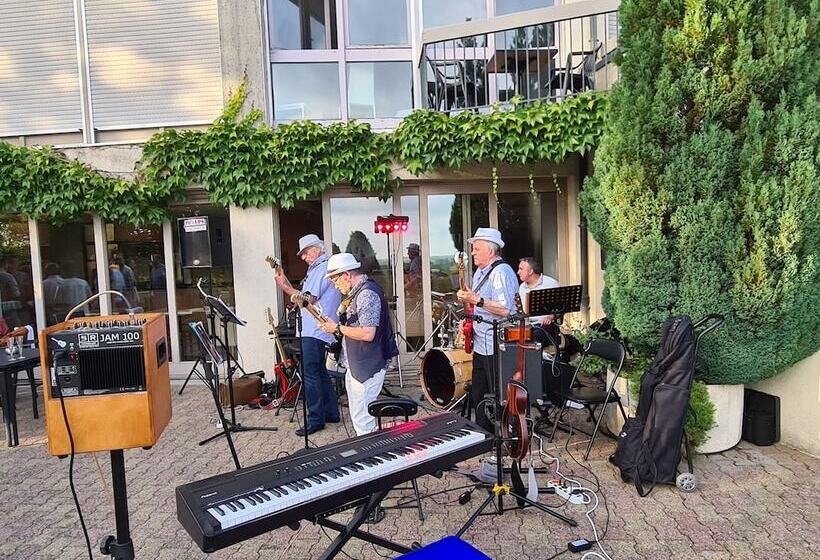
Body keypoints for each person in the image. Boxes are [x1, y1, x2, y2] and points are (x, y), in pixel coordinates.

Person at [319, 253, 399, 435]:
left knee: (364, 420)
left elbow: (368, 333)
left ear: (346, 275)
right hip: (358, 365)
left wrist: (336, 328)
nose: (335, 285)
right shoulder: (358, 292)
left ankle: (372, 456)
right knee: (360, 417)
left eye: (335, 280)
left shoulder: (366, 294)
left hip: (367, 365)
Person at [274, 234, 342, 436]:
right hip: (318, 329)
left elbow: (307, 299)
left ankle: (315, 420)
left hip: (315, 329)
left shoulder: (321, 268)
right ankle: (331, 413)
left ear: (317, 249)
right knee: (319, 371)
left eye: (305, 253)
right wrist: (283, 277)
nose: (303, 257)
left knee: (310, 375)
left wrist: (285, 288)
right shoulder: (319, 268)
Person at [456, 228, 518, 432]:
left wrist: (477, 299)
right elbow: (477, 306)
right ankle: (483, 433)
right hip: (481, 341)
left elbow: (506, 308)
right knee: (479, 392)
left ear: (491, 251)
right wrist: (467, 316)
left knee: (498, 392)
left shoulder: (502, 272)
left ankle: (504, 434)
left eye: (476, 248)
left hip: (497, 343)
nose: (473, 252)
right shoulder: (480, 273)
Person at [517, 257, 561, 350]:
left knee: (534, 336)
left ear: (530, 271)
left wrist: (551, 316)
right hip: (529, 325)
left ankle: (538, 360)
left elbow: (561, 308)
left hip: (546, 326)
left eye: (521, 269)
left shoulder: (551, 283)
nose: (518, 272)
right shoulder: (522, 287)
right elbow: (523, 312)